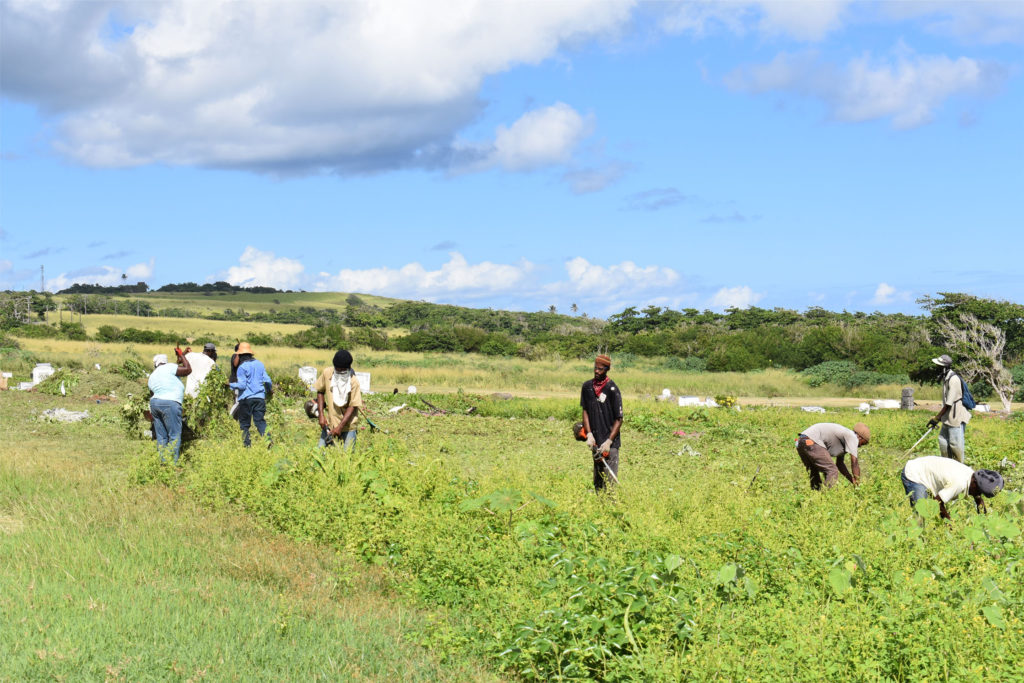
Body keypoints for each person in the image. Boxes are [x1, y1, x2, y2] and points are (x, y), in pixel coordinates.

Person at [901, 455, 1003, 518]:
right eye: (979, 492)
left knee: (927, 510)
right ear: (974, 484)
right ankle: (917, 542)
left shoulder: (973, 478)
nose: (979, 495)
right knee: (920, 512)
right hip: (915, 474)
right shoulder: (959, 483)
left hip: (928, 470)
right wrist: (948, 522)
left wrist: (983, 519)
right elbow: (937, 502)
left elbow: (978, 500)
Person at [580, 354, 623, 491]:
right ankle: (599, 508)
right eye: (595, 368)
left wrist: (609, 441)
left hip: (609, 444)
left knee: (609, 485)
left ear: (607, 369)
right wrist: (589, 434)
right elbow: (585, 410)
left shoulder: (612, 390)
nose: (597, 371)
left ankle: (611, 509)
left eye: (601, 369)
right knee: (598, 484)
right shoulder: (587, 387)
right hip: (596, 441)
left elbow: (619, 418)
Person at [795, 422, 870, 490]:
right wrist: (857, 483)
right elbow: (854, 463)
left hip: (801, 440)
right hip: (812, 440)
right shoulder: (852, 437)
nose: (860, 446)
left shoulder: (845, 438)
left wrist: (851, 480)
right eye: (863, 443)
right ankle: (827, 497)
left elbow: (840, 464)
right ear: (860, 437)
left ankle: (816, 495)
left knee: (814, 470)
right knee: (832, 470)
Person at [148, 348, 191, 464]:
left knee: (162, 436)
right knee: (174, 435)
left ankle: (163, 462)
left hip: (155, 404)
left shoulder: (152, 375)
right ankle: (172, 464)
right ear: (165, 362)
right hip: (170, 403)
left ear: (156, 364)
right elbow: (187, 369)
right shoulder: (170, 367)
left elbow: (151, 394)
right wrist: (182, 355)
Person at [314, 349, 363, 450]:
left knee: (346, 458)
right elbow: (320, 391)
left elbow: (353, 406)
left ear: (348, 368)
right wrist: (321, 416)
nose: (340, 372)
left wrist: (340, 427)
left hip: (348, 426)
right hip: (330, 423)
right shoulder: (327, 373)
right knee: (320, 453)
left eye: (343, 370)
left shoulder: (354, 382)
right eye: (338, 370)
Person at [927, 354, 971, 462]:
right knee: (943, 442)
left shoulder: (953, 379)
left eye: (938, 366)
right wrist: (940, 418)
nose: (936, 368)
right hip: (947, 417)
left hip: (955, 417)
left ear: (944, 367)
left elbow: (948, 404)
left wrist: (937, 418)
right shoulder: (946, 378)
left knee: (955, 445)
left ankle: (959, 469)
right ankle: (946, 465)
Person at [227, 342, 272, 447]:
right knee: (260, 421)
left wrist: (231, 385)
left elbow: (242, 386)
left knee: (245, 424)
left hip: (246, 399)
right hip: (260, 398)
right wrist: (269, 390)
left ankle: (247, 446)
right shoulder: (260, 364)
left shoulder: (242, 367)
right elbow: (268, 380)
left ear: (241, 355)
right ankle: (268, 442)